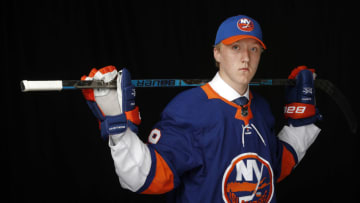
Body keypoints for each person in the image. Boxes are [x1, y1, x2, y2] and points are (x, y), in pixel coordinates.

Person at [81, 15, 321, 203]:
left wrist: (302, 121)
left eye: (254, 49)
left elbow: (275, 166)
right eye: (235, 47)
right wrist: (118, 126)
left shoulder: (262, 108)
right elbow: (142, 176)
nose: (246, 57)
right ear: (217, 53)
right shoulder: (188, 109)